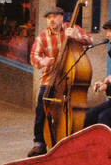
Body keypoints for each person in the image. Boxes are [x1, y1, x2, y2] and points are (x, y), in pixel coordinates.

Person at [28, 8, 95, 155]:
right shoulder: (42, 37)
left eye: (55, 17)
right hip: (50, 78)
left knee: (73, 109)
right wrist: (43, 61)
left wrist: (77, 36)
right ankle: (39, 142)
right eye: (49, 17)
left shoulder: (72, 28)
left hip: (71, 77)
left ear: (62, 18)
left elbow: (90, 40)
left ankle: (74, 138)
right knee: (42, 105)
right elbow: (33, 57)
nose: (51, 20)